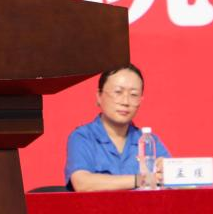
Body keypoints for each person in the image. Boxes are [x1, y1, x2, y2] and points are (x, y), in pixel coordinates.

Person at [65, 63, 170, 191]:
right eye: (118, 92)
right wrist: (141, 180)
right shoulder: (83, 137)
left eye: (134, 95)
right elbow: (82, 183)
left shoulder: (149, 141)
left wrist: (168, 172)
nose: (125, 102)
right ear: (99, 96)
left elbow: (174, 181)